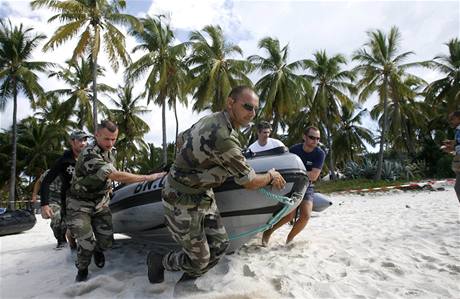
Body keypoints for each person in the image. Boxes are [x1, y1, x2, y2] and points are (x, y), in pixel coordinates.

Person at [146, 86, 286, 288]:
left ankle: (189, 278)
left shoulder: (211, 119)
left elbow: (181, 140)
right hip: (181, 199)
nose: (252, 114)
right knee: (200, 259)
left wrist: (199, 165)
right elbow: (249, 182)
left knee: (220, 246)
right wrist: (271, 175)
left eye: (255, 109)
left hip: (203, 195)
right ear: (231, 103)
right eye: (247, 107)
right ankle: (160, 261)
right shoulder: (224, 137)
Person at [68, 120, 166, 282]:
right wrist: (148, 178)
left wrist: (108, 187)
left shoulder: (110, 151)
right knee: (86, 242)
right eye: (107, 139)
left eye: (114, 139)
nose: (110, 143)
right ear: (97, 135)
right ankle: (82, 269)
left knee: (106, 241)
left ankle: (98, 249)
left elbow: (106, 176)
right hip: (80, 203)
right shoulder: (89, 154)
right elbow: (114, 174)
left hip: (100, 201)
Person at [262, 126, 325, 245]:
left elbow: (313, 176)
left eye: (318, 139)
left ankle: (289, 240)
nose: (315, 141)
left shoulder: (320, 154)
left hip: (307, 186)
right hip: (291, 185)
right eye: (312, 137)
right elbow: (284, 168)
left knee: (306, 215)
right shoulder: (293, 150)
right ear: (304, 137)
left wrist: (297, 172)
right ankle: (268, 232)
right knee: (288, 215)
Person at [40, 130, 90, 249]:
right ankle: (70, 245)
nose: (83, 143)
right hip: (69, 201)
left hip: (87, 199)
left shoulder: (90, 158)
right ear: (72, 142)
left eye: (85, 140)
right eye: (79, 140)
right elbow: (45, 182)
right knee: (71, 230)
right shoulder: (63, 161)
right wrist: (44, 205)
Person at [442, 110, 460, 202]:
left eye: (452, 119)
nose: (451, 121)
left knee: (458, 188)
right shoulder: (457, 131)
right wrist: (451, 149)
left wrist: (452, 144)